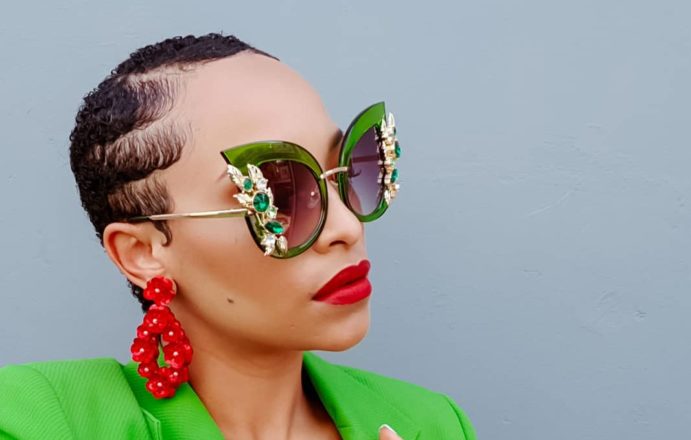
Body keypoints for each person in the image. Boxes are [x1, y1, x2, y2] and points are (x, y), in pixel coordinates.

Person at [0, 32, 477, 440]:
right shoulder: (36, 419)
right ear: (142, 252)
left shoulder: (431, 424)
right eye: (278, 194)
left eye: (349, 170)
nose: (347, 228)